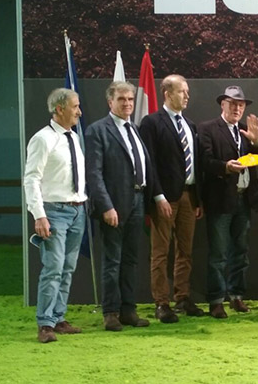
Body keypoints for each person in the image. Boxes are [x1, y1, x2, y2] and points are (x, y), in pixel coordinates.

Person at [85, 81, 156, 331]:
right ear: (110, 102)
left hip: (138, 200)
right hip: (114, 205)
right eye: (121, 99)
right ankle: (111, 313)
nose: (127, 103)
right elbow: (94, 174)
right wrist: (106, 206)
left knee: (130, 260)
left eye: (130, 99)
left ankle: (128, 311)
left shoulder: (133, 128)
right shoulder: (97, 130)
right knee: (112, 261)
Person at [139, 74, 205, 323]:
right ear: (167, 94)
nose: (187, 95)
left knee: (185, 251)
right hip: (165, 198)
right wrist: (158, 196)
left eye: (187, 91)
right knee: (160, 252)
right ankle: (161, 303)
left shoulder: (190, 125)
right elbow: (149, 163)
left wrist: (197, 199)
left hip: (189, 195)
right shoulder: (151, 123)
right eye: (181, 91)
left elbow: (196, 163)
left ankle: (183, 298)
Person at [23, 88, 87, 343]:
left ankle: (58, 318)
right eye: (75, 106)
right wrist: (39, 215)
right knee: (53, 268)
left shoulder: (74, 137)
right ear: (59, 109)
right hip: (54, 211)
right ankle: (45, 324)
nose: (79, 112)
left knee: (67, 268)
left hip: (77, 210)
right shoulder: (42, 139)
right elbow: (31, 179)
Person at [198, 85, 258, 319]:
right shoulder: (207, 129)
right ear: (222, 104)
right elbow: (205, 161)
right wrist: (225, 167)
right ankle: (216, 300)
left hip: (244, 199)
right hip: (220, 200)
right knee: (218, 253)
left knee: (241, 252)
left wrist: (257, 142)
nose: (237, 108)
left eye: (241, 105)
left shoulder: (246, 130)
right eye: (233, 104)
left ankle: (236, 295)